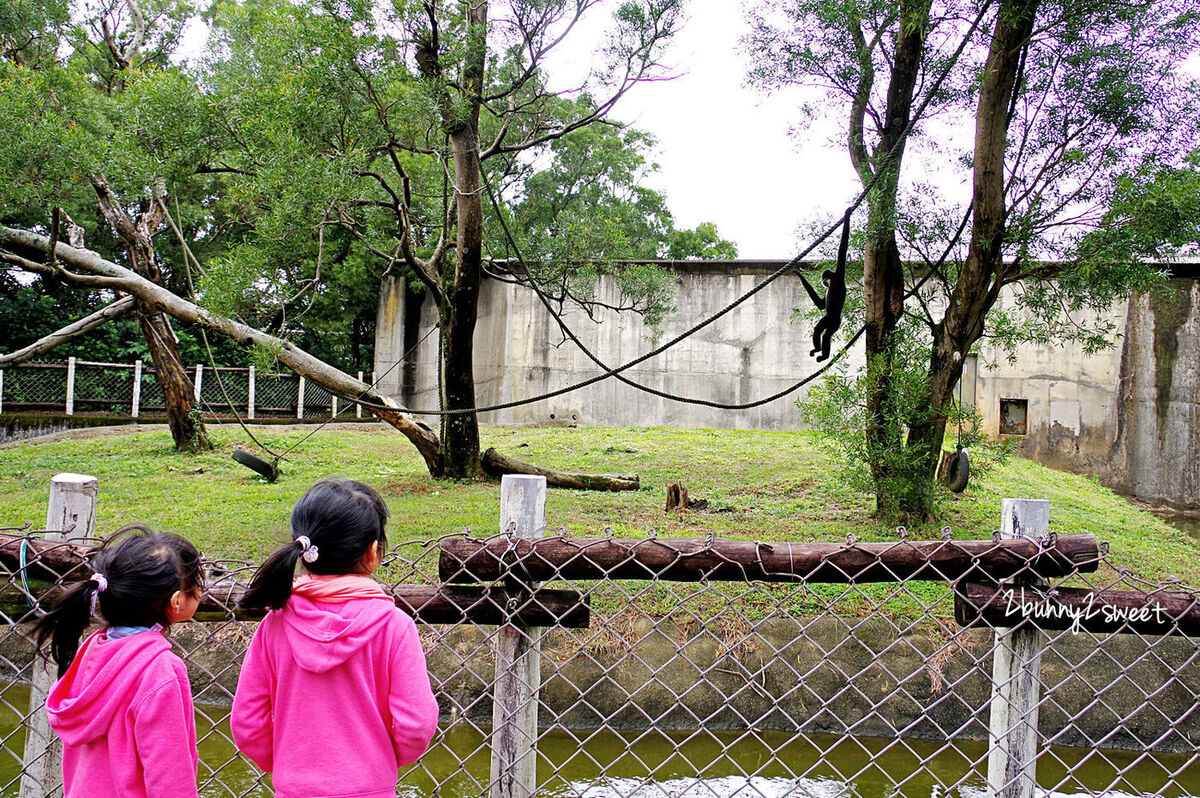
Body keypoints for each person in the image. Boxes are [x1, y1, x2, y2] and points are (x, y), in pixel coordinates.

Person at [232, 478, 438, 798]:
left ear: (303, 551)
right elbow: (418, 723)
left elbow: (247, 723)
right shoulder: (394, 627)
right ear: (373, 552)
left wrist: (288, 764)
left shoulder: (274, 626)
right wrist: (381, 760)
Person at [33, 526, 204, 798]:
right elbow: (170, 780)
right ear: (176, 601)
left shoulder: (90, 653)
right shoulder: (161, 670)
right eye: (197, 583)